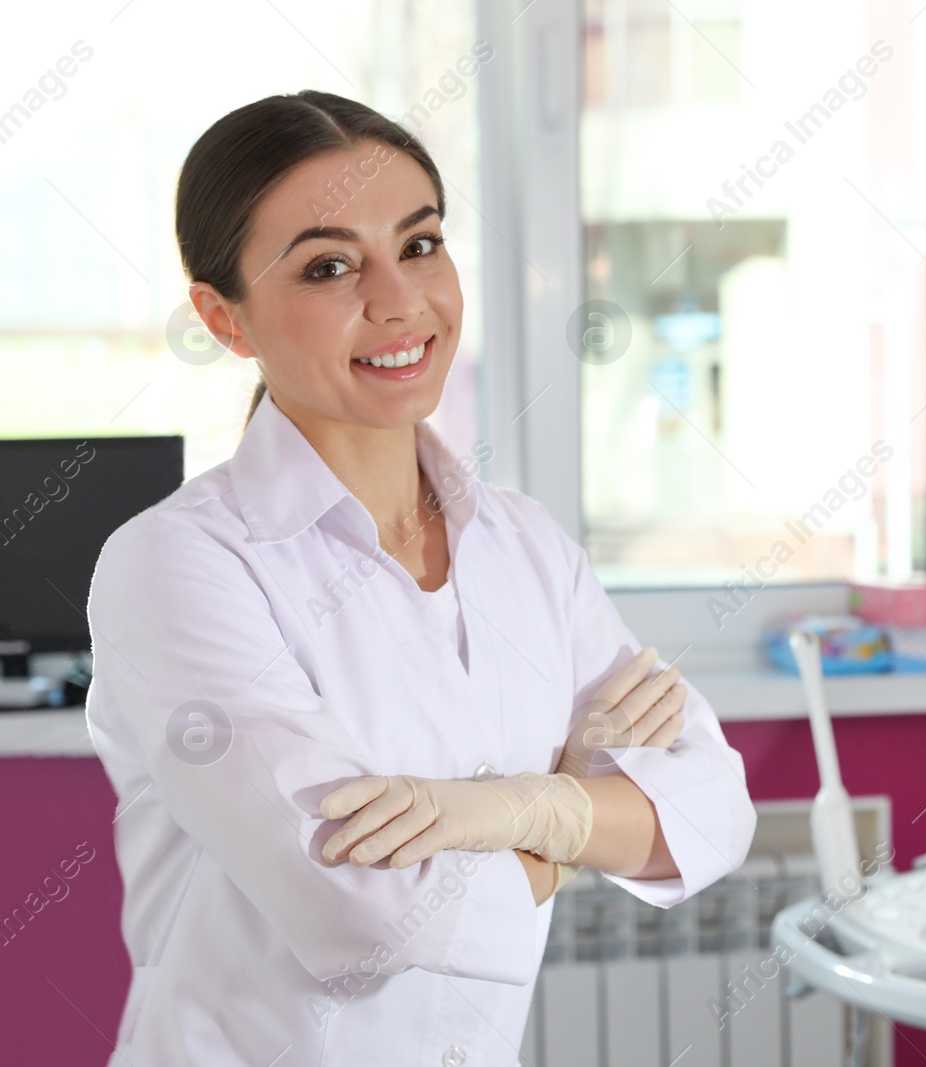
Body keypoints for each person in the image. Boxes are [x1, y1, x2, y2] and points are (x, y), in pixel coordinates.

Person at [84, 89, 757, 1066]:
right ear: (224, 318)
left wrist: (513, 809)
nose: (399, 301)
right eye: (328, 265)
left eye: (422, 243)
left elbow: (712, 811)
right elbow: (362, 918)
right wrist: (574, 804)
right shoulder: (178, 565)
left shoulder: (524, 547)